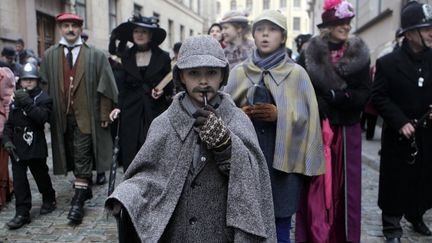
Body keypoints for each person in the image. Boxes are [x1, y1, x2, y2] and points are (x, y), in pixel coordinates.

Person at [105, 35, 276, 242]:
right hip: (177, 232)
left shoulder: (237, 119)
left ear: (223, 76)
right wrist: (126, 197)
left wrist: (226, 145)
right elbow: (148, 175)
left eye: (211, 72)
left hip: (221, 232)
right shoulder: (165, 123)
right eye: (194, 73)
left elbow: (252, 178)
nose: (203, 81)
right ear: (181, 77)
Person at [224, 10, 325, 243]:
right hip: (246, 163)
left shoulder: (297, 74)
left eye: (272, 30)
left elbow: (309, 120)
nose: (265, 35)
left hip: (284, 165)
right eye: (260, 30)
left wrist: (281, 115)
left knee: (280, 224)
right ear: (254, 35)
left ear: (283, 36)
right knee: (245, 221)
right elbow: (223, 112)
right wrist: (239, 114)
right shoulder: (239, 72)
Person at [296, 0, 370, 242]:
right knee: (316, 188)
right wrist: (319, 102)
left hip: (347, 131)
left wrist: (340, 97)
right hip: (319, 128)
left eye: (348, 22)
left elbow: (364, 93)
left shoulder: (360, 54)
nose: (346, 27)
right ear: (329, 25)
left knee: (345, 191)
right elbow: (300, 88)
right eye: (341, 22)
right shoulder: (309, 55)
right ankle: (316, 236)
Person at [39, 12, 118, 225]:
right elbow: (44, 88)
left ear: (81, 29)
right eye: (66, 26)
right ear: (60, 29)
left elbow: (106, 88)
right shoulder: (50, 56)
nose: (70, 29)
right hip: (61, 117)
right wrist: (44, 115)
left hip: (87, 116)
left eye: (74, 25)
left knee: (82, 154)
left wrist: (104, 114)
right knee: (70, 154)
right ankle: (84, 189)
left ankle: (78, 199)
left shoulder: (96, 55)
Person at [372, 1, 432, 242]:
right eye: (426, 28)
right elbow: (378, 96)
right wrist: (399, 121)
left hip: (427, 134)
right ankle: (391, 227)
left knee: (425, 180)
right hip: (399, 135)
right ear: (409, 33)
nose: (431, 32)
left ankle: (416, 216)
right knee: (395, 182)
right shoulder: (388, 63)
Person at [109, 14, 173, 171]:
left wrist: (162, 91)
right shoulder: (125, 57)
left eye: (144, 32)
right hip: (131, 110)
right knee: (131, 149)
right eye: (136, 31)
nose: (139, 35)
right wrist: (118, 106)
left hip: (155, 110)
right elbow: (121, 86)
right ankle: (132, 183)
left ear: (150, 35)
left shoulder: (163, 57)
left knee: (154, 147)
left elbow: (170, 85)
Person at [3, 63, 56, 230]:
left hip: (35, 143)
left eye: (31, 80)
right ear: (20, 81)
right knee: (19, 180)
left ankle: (49, 198)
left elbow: (41, 118)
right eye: (25, 80)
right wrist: (7, 140)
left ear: (37, 81)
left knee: (41, 175)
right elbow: (9, 124)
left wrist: (26, 102)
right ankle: (22, 212)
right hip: (18, 145)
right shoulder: (15, 99)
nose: (28, 83)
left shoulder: (43, 98)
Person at [0, 67, 15, 212]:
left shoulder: (2, 75)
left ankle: (4, 193)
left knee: (1, 164)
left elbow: (7, 100)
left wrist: (9, 125)